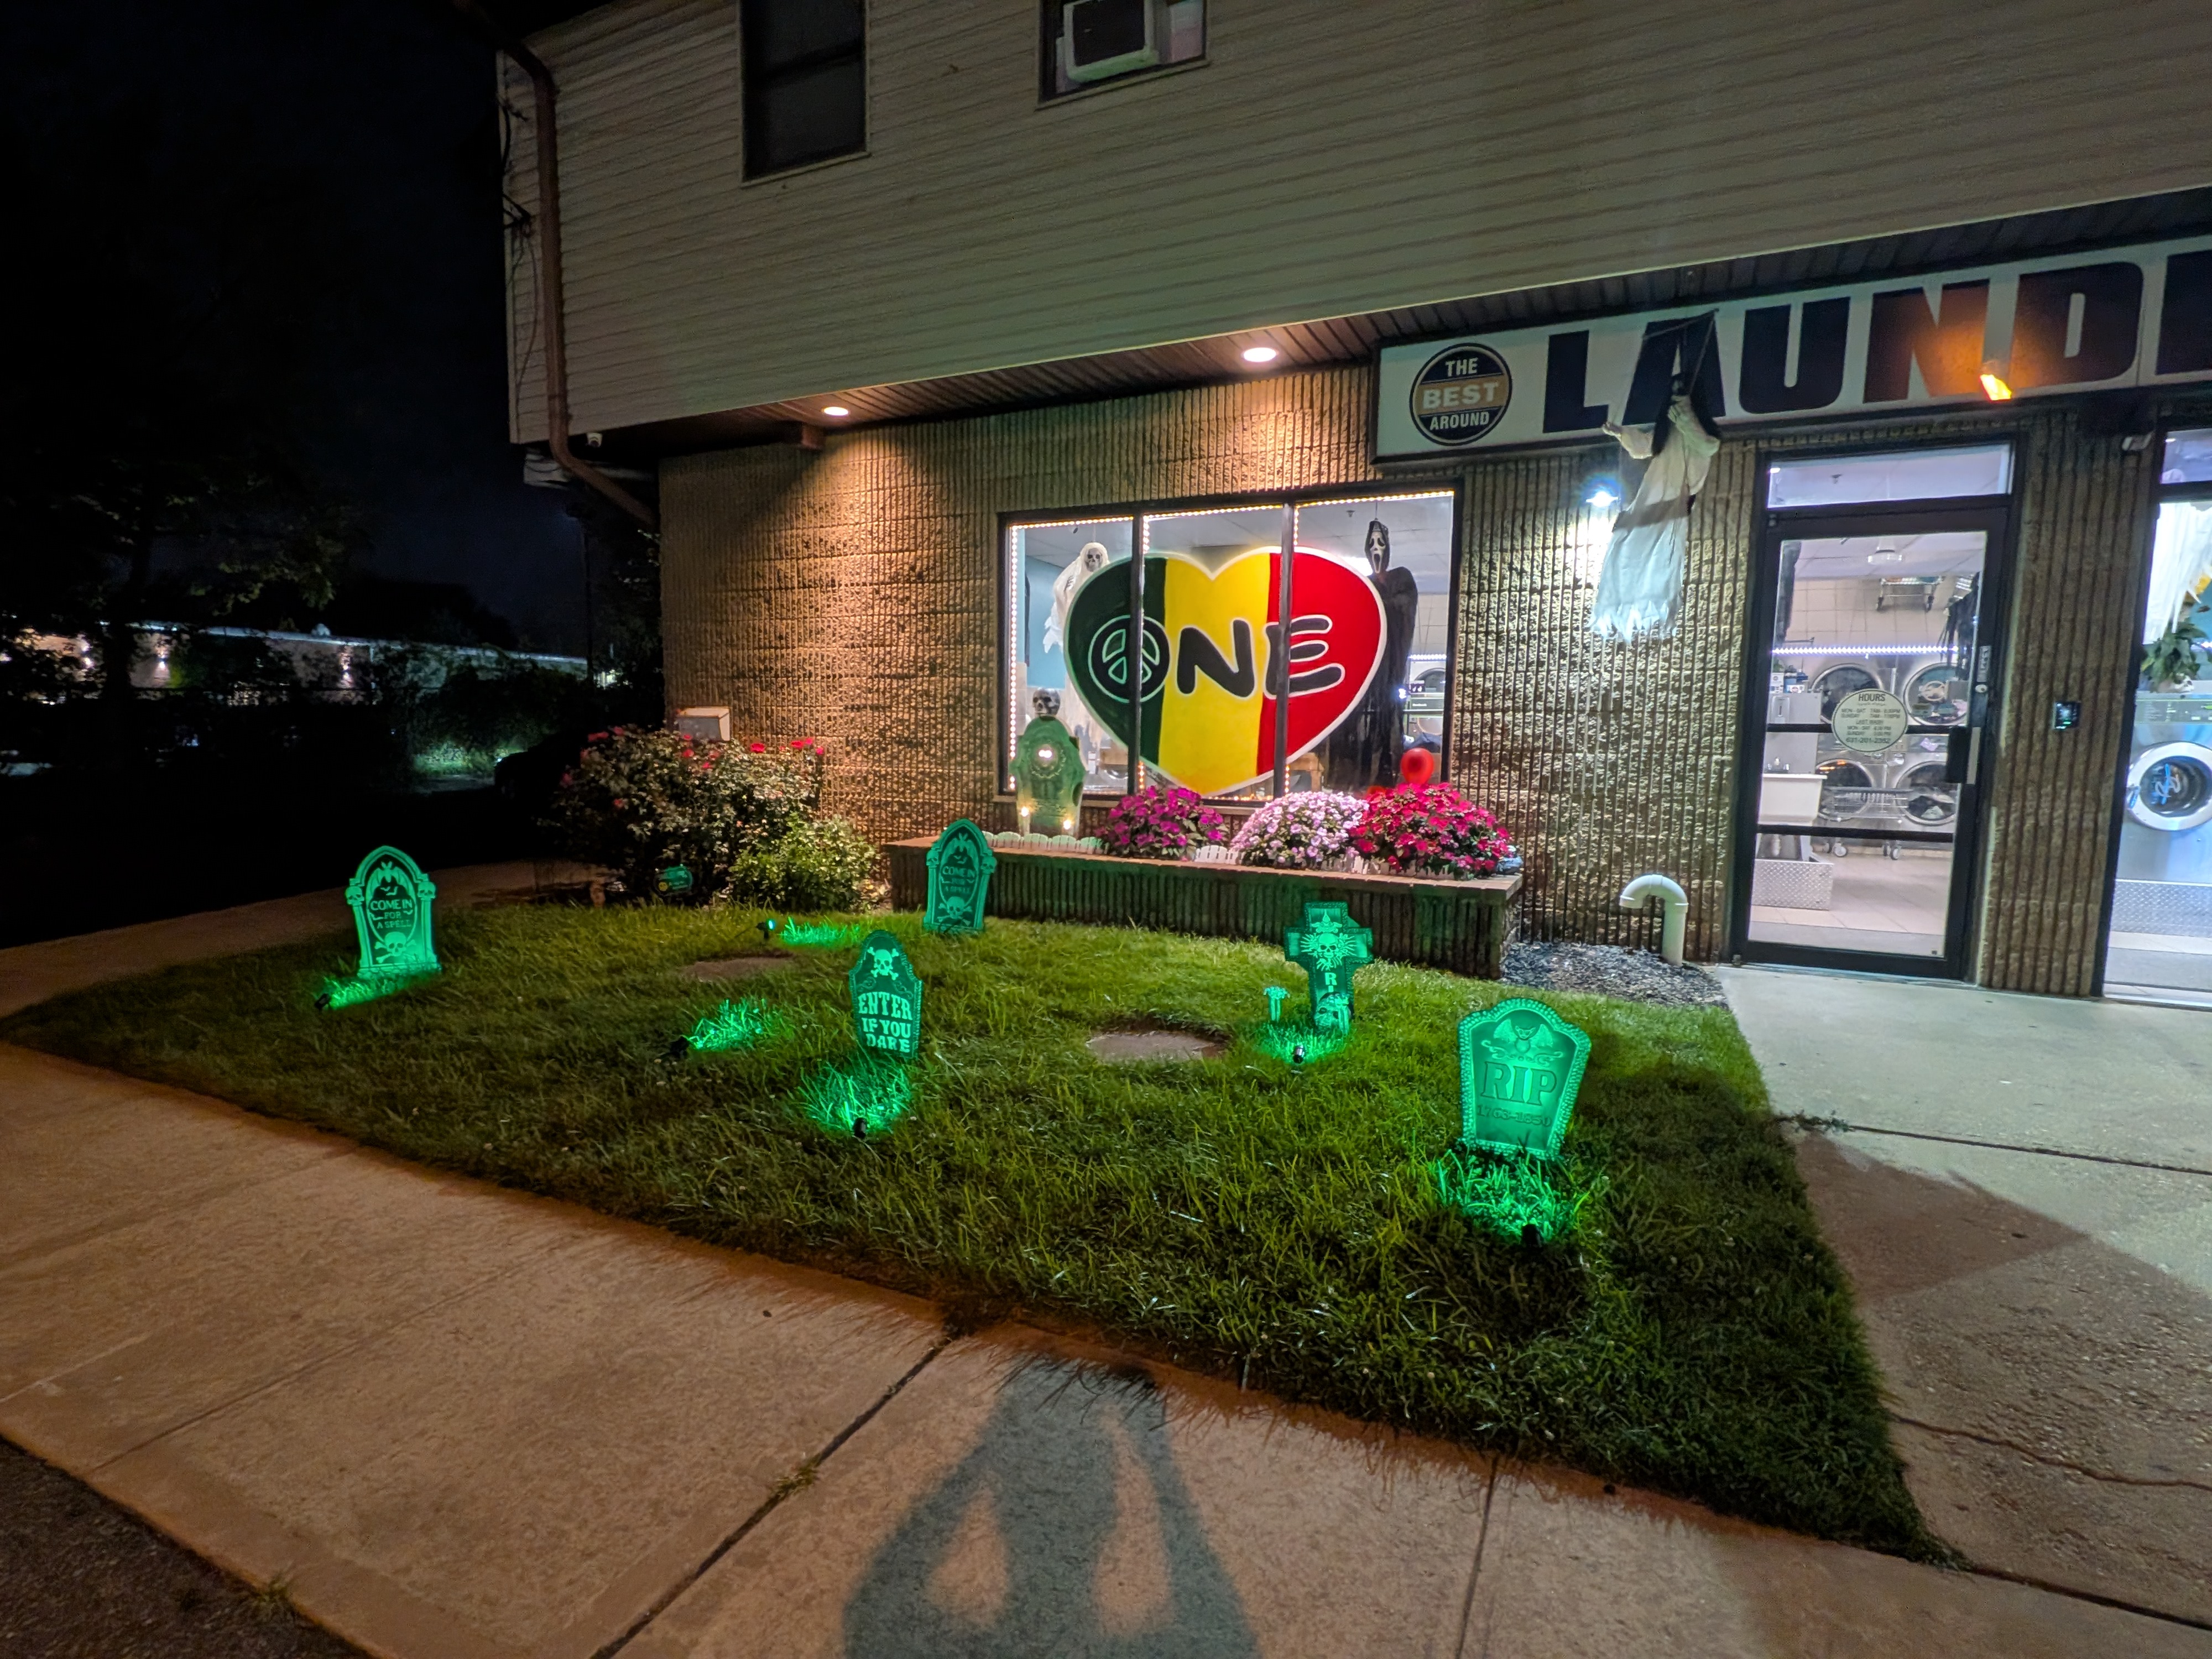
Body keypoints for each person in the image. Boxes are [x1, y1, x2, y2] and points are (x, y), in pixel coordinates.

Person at [1589, 377, 1721, 641]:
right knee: (1629, 542)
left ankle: (1648, 599)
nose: (1675, 400)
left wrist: (1686, 420)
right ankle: (1626, 599)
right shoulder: (1669, 432)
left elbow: (1708, 446)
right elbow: (1644, 447)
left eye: (1680, 394)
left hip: (1674, 497)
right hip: (1655, 493)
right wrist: (1620, 432)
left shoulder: (1695, 430)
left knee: (1654, 550)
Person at [1324, 520, 1421, 787]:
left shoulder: (1400, 579)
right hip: (1365, 665)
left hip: (1389, 664)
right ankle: (1350, 776)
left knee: (1386, 717)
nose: (1376, 549)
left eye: (1380, 543)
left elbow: (1402, 606)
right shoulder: (1364, 584)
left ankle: (1383, 774)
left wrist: (1379, 596)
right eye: (1372, 544)